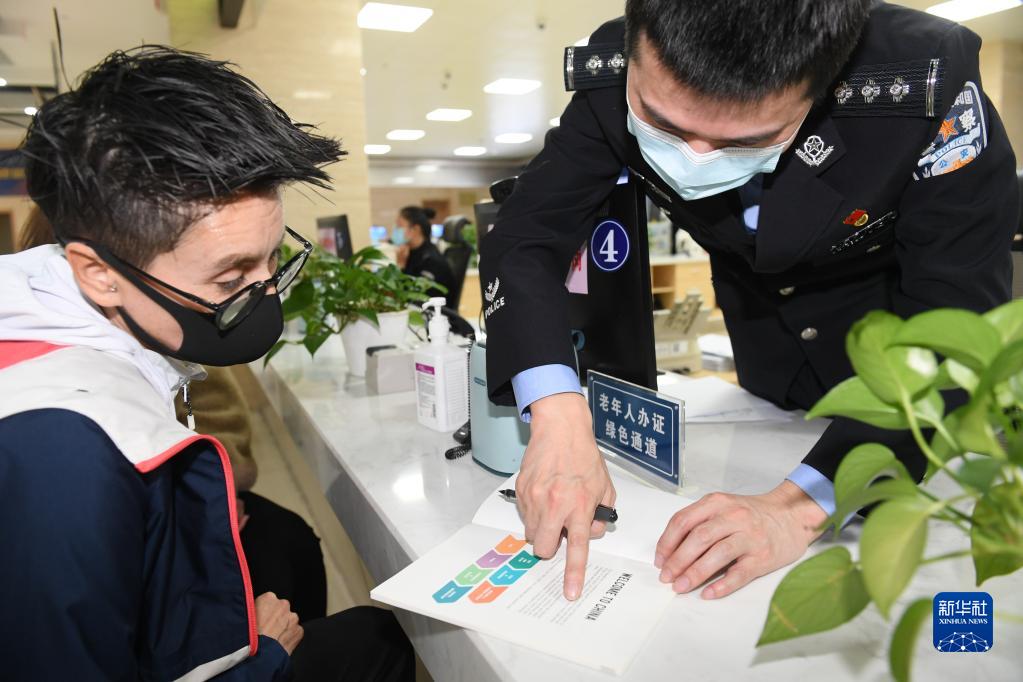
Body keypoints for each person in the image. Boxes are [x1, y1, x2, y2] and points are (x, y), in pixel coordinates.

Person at [479, 0, 1018, 602]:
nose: (694, 158)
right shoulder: (616, 66)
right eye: (660, 122)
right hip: (765, 345)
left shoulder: (927, 89)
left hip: (893, 364)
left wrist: (800, 507)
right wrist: (555, 409)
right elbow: (525, 237)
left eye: (747, 140)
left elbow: (954, 328)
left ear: (823, 89)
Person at [0, 46, 413, 680]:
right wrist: (265, 656)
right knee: (378, 641)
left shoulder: (70, 326)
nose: (265, 295)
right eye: (229, 278)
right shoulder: (63, 457)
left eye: (274, 259)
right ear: (99, 274)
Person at [395, 205, 456, 304]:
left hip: (432, 311)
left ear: (415, 229)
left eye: (399, 226)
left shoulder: (431, 260)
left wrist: (400, 266)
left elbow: (412, 295)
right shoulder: (410, 254)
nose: (396, 231)